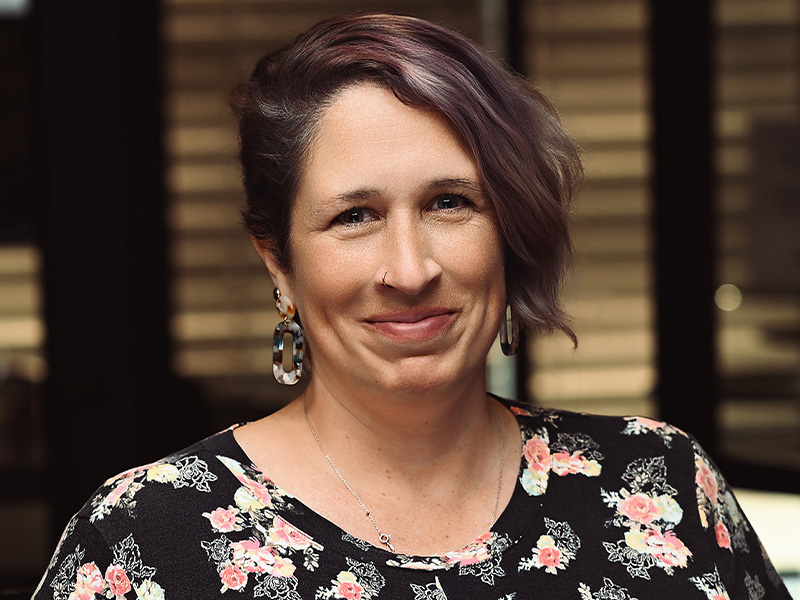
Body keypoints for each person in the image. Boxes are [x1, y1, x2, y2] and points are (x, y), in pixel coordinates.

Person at [34, 13, 790, 600]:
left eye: (451, 203)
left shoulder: (659, 485)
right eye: (354, 216)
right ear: (279, 261)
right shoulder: (147, 537)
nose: (409, 269)